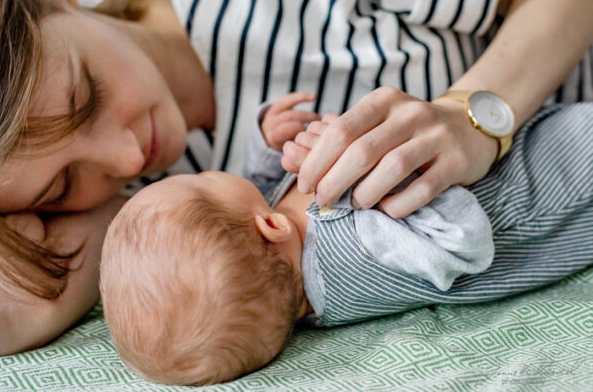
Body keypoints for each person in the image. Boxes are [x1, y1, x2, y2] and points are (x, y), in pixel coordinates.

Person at [0, 0, 592, 356]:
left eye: (87, 97)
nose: (129, 159)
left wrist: (472, 116)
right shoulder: (164, 220)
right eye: (59, 187)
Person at [99, 96, 593, 386]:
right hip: (554, 185)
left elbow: (261, 186)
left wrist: (269, 143)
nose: (213, 170)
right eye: (204, 181)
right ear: (269, 228)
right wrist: (386, 180)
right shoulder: (348, 261)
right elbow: (465, 243)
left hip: (513, 140)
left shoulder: (275, 240)